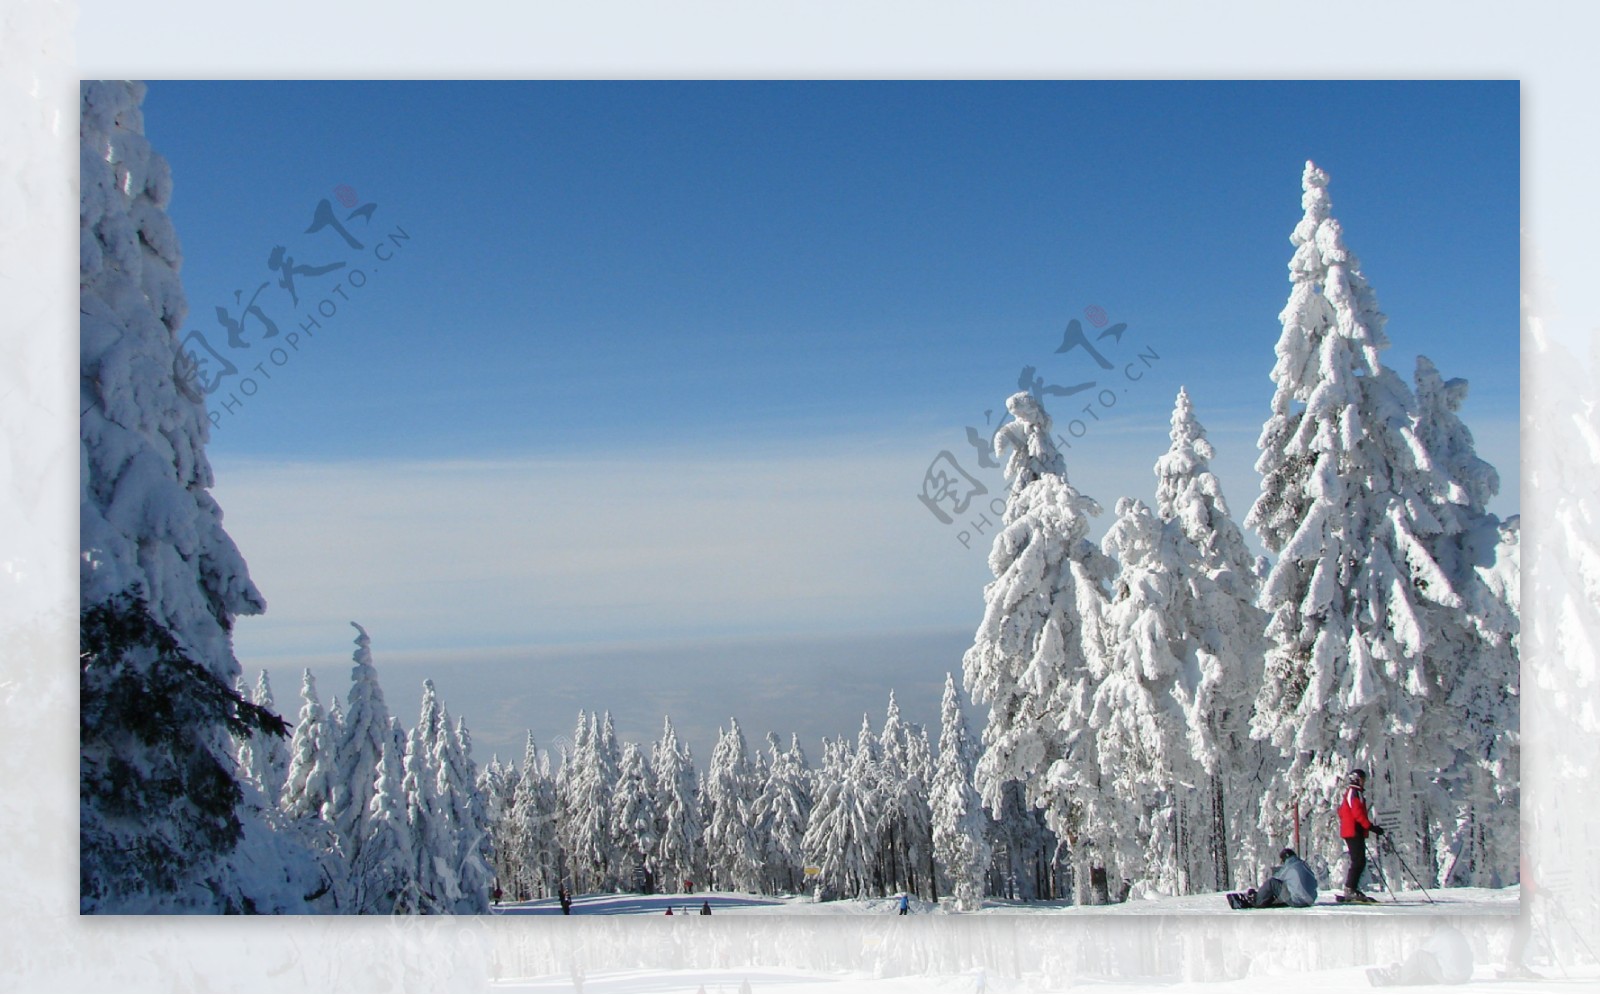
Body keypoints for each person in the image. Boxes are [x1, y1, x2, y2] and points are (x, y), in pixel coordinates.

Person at [1339, 768, 1385, 903]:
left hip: (1353, 830)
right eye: (1362, 779)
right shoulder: (1354, 793)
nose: (1364, 782)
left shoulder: (1353, 793)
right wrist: (1370, 827)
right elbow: (1357, 813)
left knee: (1359, 860)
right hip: (1353, 831)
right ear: (1356, 779)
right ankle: (1350, 889)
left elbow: (1343, 812)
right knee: (1358, 861)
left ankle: (1351, 888)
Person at [1227, 848, 1318, 909]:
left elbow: (1275, 880)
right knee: (1286, 887)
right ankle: (1265, 899)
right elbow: (1314, 882)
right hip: (1310, 900)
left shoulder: (1289, 866)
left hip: (1298, 901)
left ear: (1284, 858)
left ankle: (1256, 900)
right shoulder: (1303, 865)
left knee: (1272, 883)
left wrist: (1260, 892)